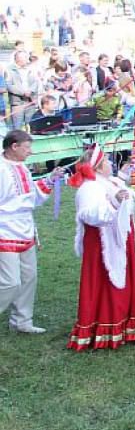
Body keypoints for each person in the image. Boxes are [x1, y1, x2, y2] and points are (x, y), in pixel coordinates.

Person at [68, 145, 135, 350]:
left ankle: (125, 320)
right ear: (99, 166)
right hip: (102, 244)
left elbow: (114, 190)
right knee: (106, 281)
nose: (111, 163)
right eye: (107, 161)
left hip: (118, 238)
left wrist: (121, 181)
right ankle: (106, 324)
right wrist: (116, 202)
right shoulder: (89, 187)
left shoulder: (104, 181)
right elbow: (89, 214)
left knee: (122, 278)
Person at [0, 131, 60, 334]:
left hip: (25, 227)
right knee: (10, 282)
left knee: (29, 276)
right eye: (27, 147)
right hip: (4, 229)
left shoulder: (22, 168)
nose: (30, 152)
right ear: (14, 147)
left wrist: (51, 179)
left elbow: (30, 196)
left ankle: (22, 320)